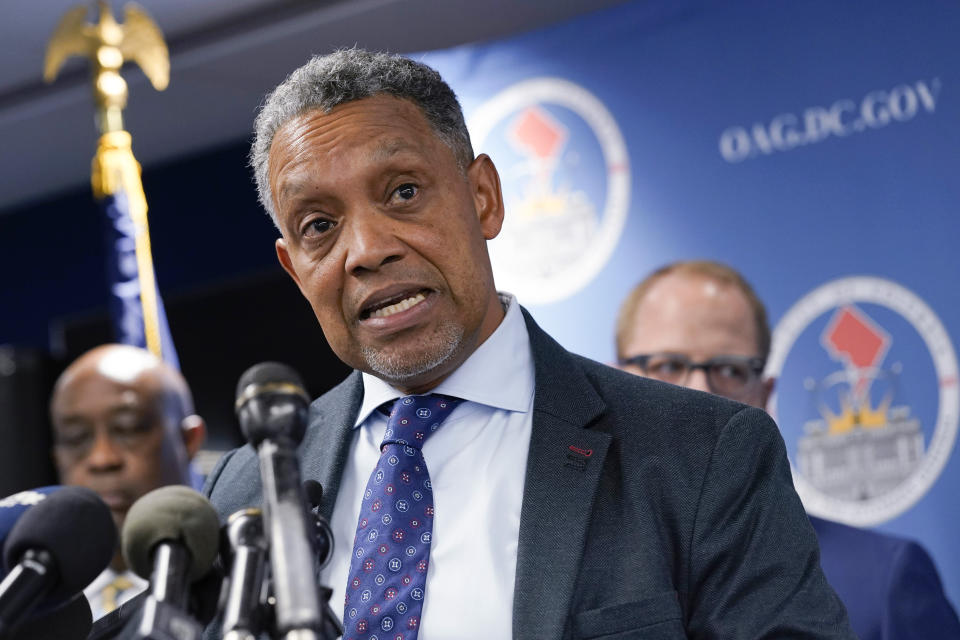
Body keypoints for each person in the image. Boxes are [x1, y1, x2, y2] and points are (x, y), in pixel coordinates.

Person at [204, 49, 855, 639]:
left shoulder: (700, 454)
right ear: (295, 269)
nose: (368, 250)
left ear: (483, 198)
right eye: (320, 225)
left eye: (403, 192)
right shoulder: (246, 489)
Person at [615, 259, 960, 640]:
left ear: (765, 396)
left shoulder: (881, 584)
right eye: (667, 365)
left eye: (730, 371)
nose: (700, 394)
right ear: (610, 384)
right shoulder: (554, 568)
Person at [50, 343, 206, 619]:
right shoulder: (30, 607)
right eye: (75, 437)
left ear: (189, 441)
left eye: (128, 428)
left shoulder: (243, 582)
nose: (102, 458)